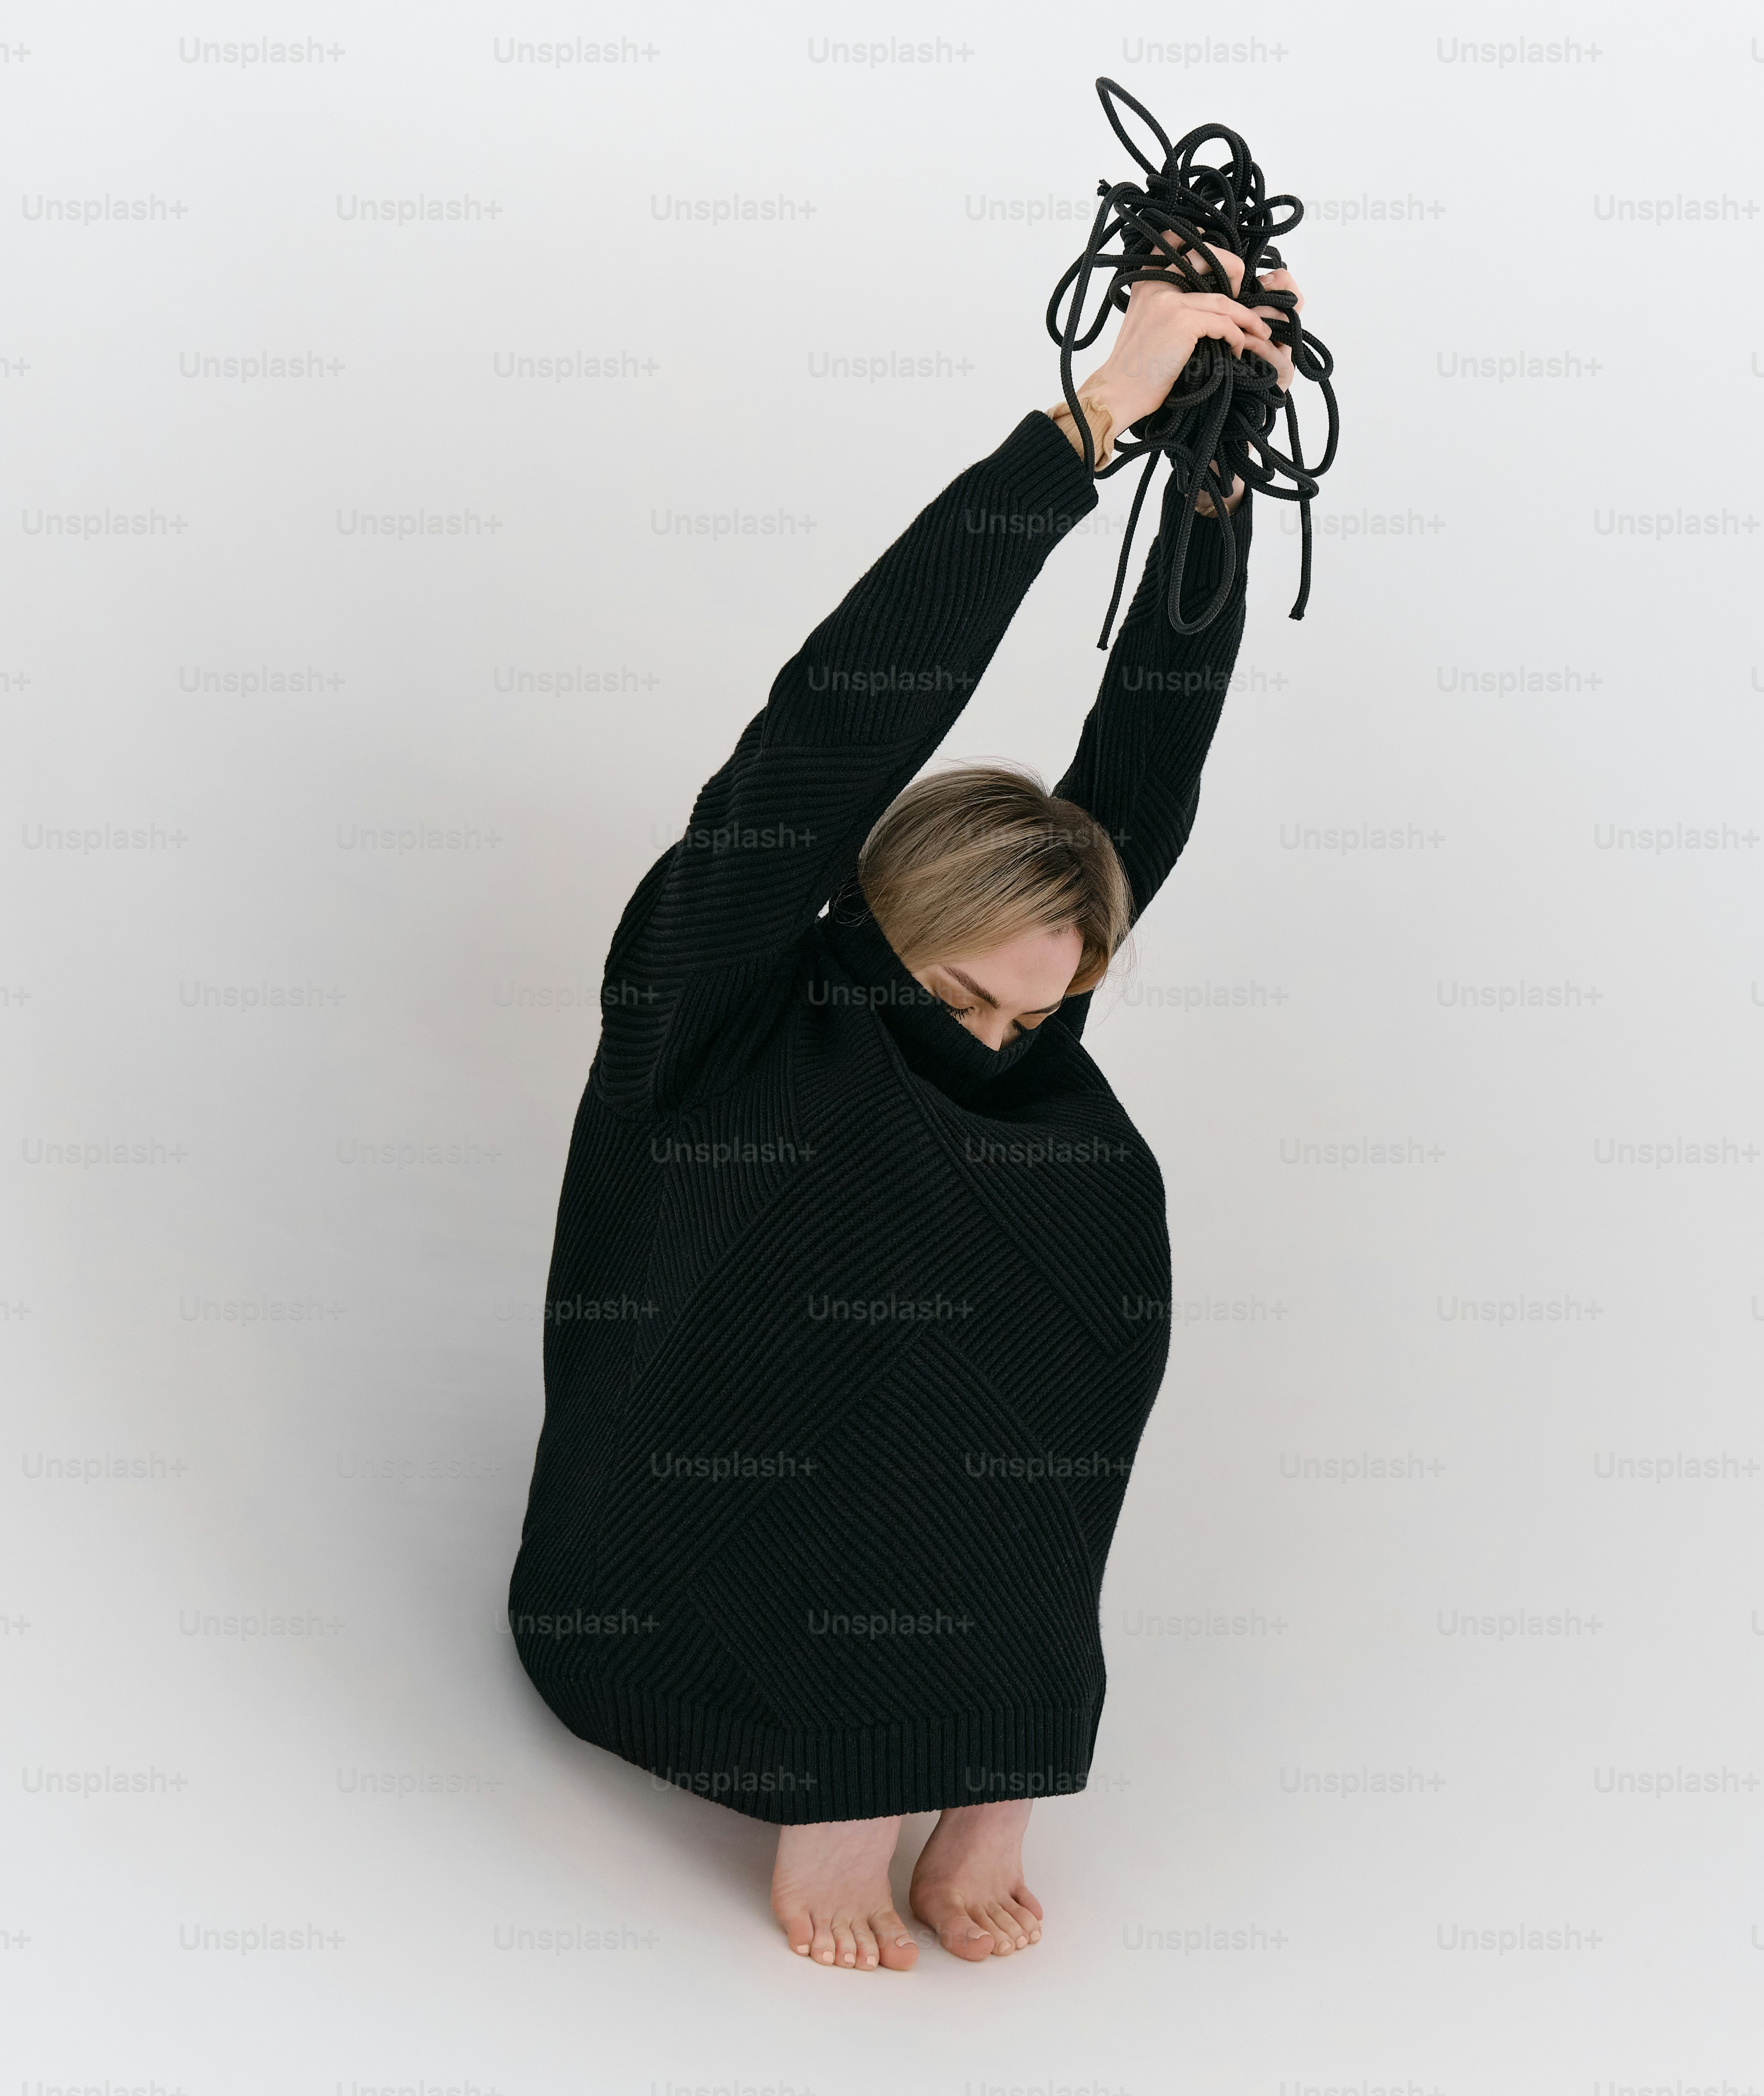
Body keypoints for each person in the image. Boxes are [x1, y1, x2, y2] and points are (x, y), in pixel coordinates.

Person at [506, 246, 1303, 1973]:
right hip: (720, 1482)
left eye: (1045, 1008)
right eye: (964, 998)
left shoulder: (1038, 997)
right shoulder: (717, 988)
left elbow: (1151, 748)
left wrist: (1212, 479)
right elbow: (839, 709)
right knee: (894, 1270)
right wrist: (1092, 425)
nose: (1006, 1034)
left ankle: (992, 1767)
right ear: (883, 916)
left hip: (996, 1465)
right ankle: (847, 1779)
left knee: (1056, 1239)